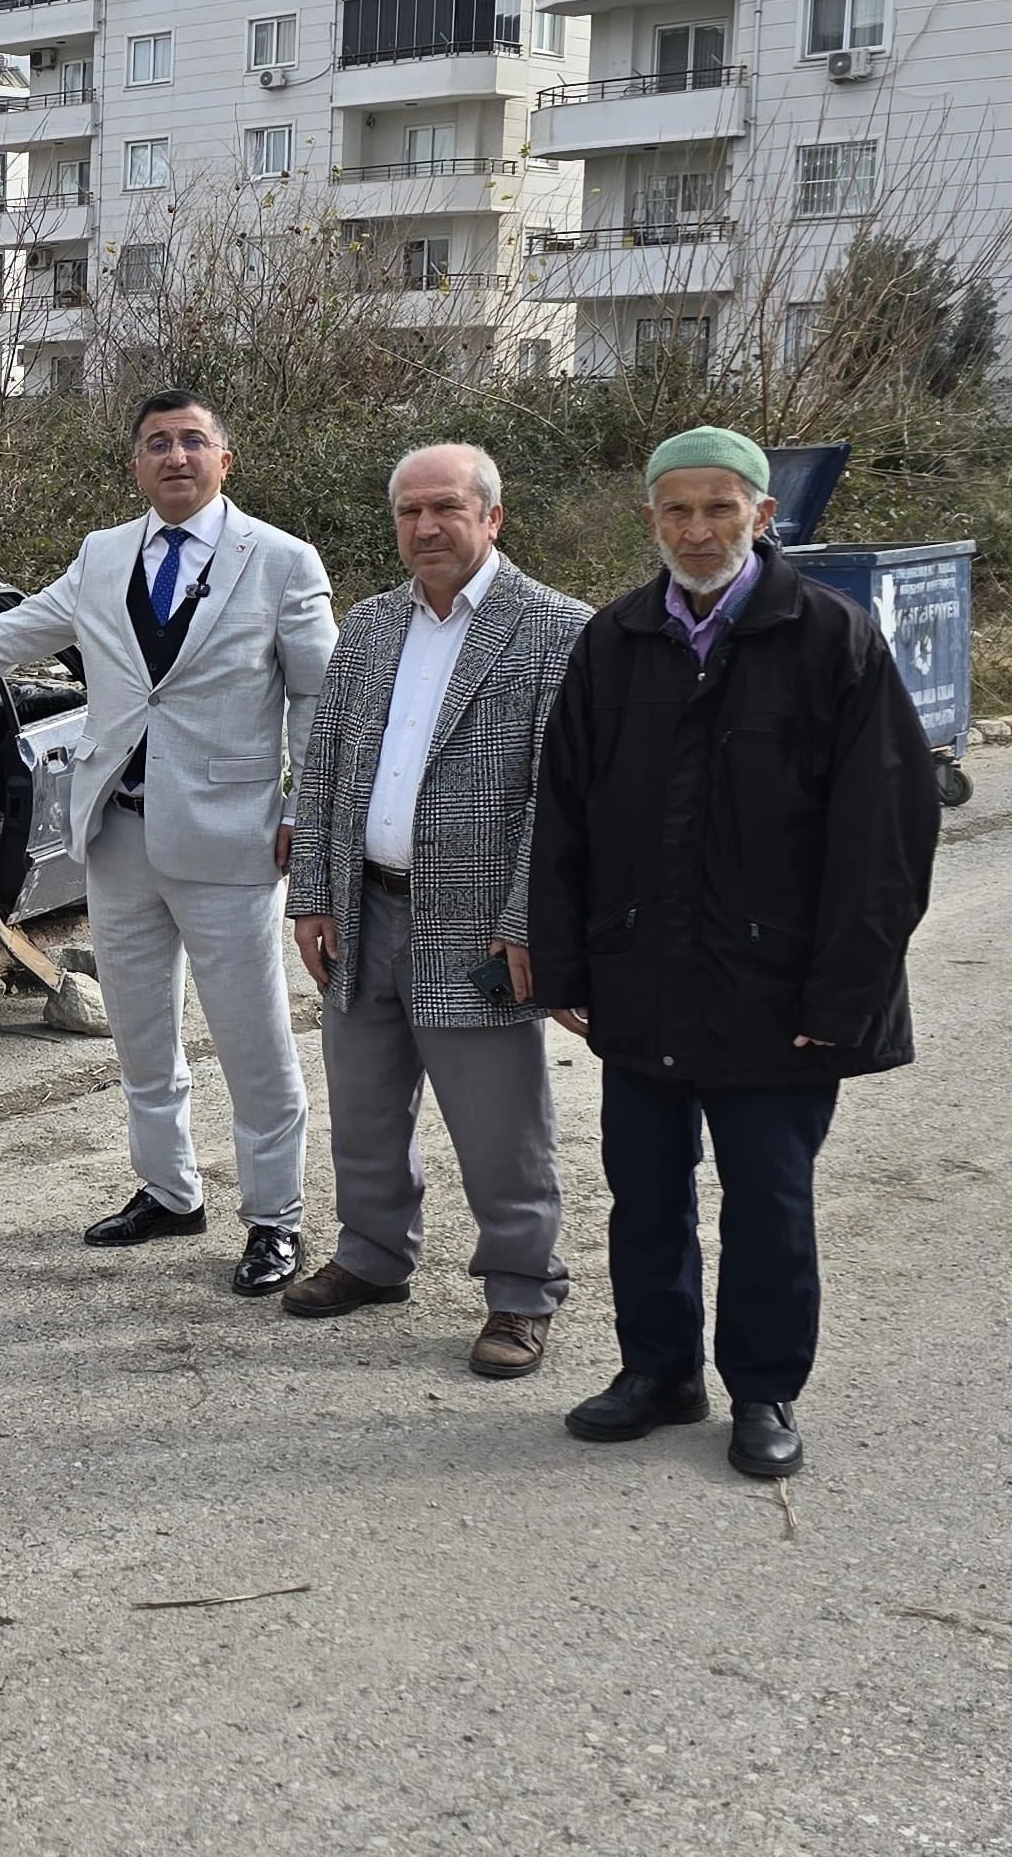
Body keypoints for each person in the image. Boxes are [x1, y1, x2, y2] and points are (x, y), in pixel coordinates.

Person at [0, 389, 336, 1294]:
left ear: (225, 461)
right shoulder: (105, 555)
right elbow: (24, 628)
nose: (175, 456)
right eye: (157, 443)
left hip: (232, 840)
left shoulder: (279, 561)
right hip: (115, 835)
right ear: (136, 463)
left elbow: (316, 697)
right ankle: (169, 1189)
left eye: (194, 442)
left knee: (252, 1039)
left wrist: (307, 814)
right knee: (143, 1035)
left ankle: (274, 1218)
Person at [527, 426, 939, 1479]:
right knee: (644, 1188)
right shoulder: (614, 639)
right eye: (677, 510)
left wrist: (844, 991)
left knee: (768, 1201)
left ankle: (763, 1389)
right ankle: (657, 1371)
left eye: (720, 508)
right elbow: (564, 815)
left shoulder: (829, 637)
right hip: (644, 974)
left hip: (780, 984)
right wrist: (569, 966)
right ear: (650, 519)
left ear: (764, 515)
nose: (698, 529)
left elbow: (883, 835)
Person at [279, 444, 590, 1377]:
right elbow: (325, 767)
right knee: (364, 1108)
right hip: (366, 910)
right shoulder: (371, 627)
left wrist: (530, 918)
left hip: (479, 922)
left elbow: (563, 795)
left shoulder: (555, 631)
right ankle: (374, 1257)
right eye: (410, 512)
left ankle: (521, 1292)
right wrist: (314, 899)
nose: (426, 528)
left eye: (447, 508)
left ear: (493, 518)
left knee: (501, 1126)